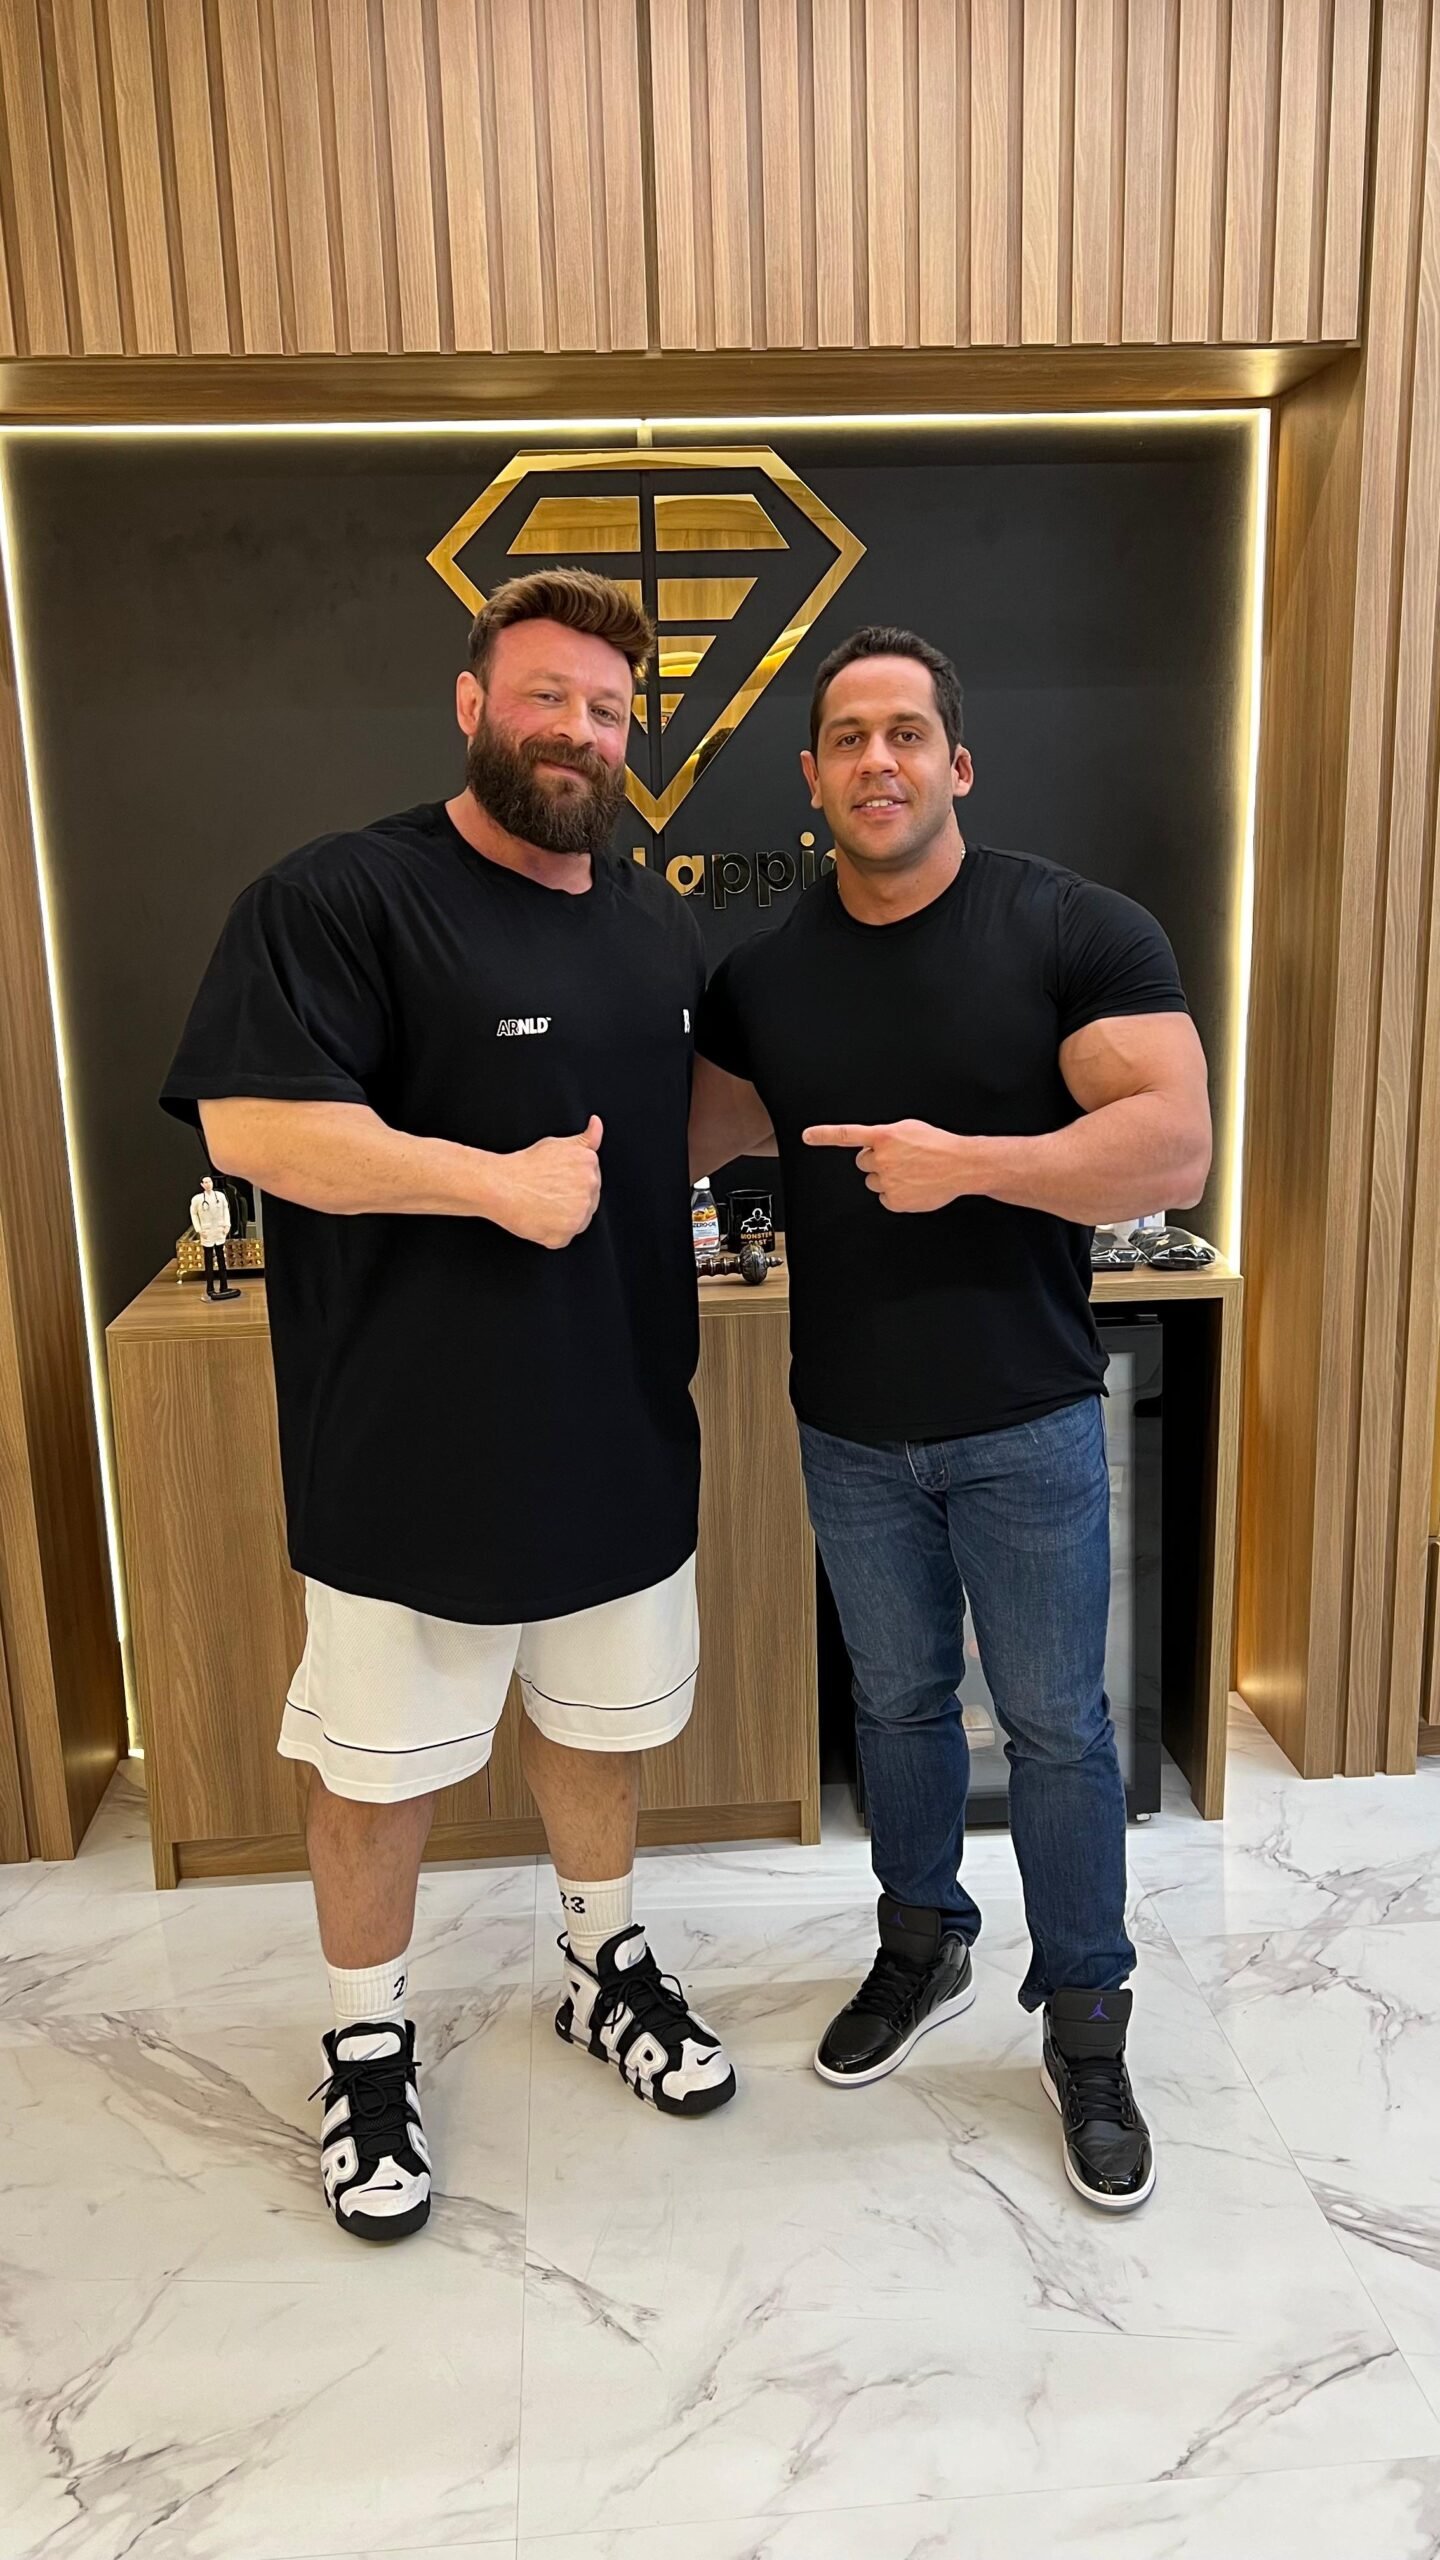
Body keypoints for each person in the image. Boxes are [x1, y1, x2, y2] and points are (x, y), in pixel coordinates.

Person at [162, 568, 736, 2246]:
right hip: (407, 1449)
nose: (580, 730)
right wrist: (491, 1185)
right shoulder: (339, 896)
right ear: (473, 705)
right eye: (548, 695)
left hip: (618, 1426)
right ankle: (366, 2042)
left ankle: (601, 1961)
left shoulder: (652, 924)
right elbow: (255, 1129)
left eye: (609, 710)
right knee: (377, 1764)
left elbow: (676, 1129)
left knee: (600, 1730)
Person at [689, 626, 1211, 2212]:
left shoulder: (1072, 928)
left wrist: (971, 1163)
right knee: (900, 1712)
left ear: (957, 764)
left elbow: (1173, 1146)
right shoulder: (766, 980)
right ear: (812, 777)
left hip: (1027, 1419)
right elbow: (680, 1142)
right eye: (849, 737)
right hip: (848, 1426)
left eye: (906, 733)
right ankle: (921, 1944)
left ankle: (1088, 2023)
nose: (879, 760)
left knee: (1056, 1729)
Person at [190, 1173, 240, 1300]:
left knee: (221, 1260)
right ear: (202, 1185)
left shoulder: (220, 1196)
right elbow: (194, 1215)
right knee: (209, 1262)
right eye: (205, 1182)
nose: (208, 1184)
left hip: (219, 1230)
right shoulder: (197, 1199)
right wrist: (199, 1229)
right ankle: (210, 1289)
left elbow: (226, 1210)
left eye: (210, 1182)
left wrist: (227, 1225)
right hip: (207, 1232)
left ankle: (224, 1286)